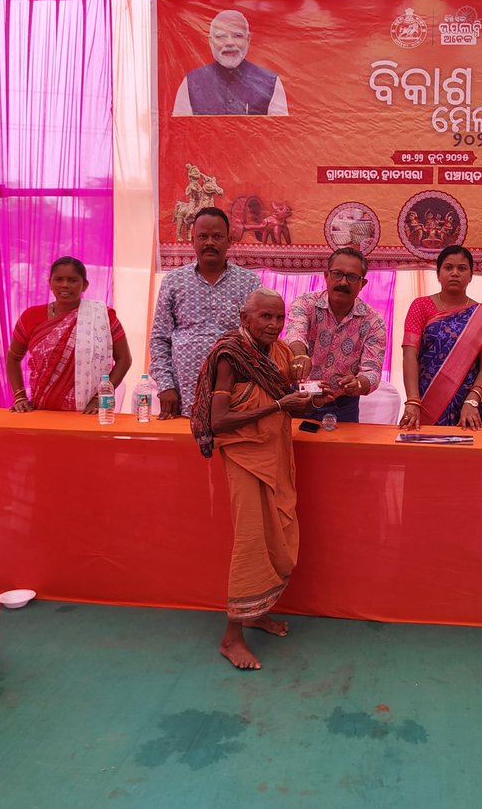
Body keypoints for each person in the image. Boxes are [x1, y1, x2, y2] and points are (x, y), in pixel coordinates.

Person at [190, 289, 320, 670]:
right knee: (250, 540)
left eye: (279, 318)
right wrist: (281, 405)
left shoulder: (278, 354)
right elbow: (218, 421)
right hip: (245, 459)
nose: (274, 326)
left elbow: (285, 397)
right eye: (266, 317)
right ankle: (231, 638)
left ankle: (257, 612)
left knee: (276, 534)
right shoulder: (231, 355)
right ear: (245, 318)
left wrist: (317, 396)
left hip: (274, 455)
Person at [150, 207, 262, 419]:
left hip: (235, 394)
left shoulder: (249, 283)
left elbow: (259, 339)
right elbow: (159, 339)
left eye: (217, 236)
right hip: (184, 396)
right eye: (203, 236)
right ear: (193, 241)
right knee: (184, 451)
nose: (210, 242)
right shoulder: (174, 281)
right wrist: (166, 386)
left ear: (229, 241)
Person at [6, 257, 132, 413]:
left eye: (72, 280)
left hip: (89, 412)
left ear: (84, 285)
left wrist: (100, 398)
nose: (65, 285)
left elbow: (124, 359)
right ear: (50, 283)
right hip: (42, 411)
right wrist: (20, 397)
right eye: (59, 279)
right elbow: (13, 357)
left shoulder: (102, 316)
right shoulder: (31, 316)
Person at [399, 246, 482, 429]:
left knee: (463, 456)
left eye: (462, 268)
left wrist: (472, 401)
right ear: (438, 274)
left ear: (471, 275)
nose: (455, 273)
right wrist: (413, 401)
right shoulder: (421, 306)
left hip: (465, 408)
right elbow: (409, 355)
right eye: (448, 268)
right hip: (424, 401)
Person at [285, 248, 387, 424]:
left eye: (352, 277)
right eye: (337, 274)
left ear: (362, 284)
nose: (343, 282)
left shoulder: (374, 322)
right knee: (293, 450)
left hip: (344, 406)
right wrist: (300, 356)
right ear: (326, 275)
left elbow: (372, 370)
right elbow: (295, 333)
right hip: (299, 399)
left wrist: (358, 384)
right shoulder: (306, 304)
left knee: (341, 452)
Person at [172, 9, 289, 117]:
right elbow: (181, 132)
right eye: (221, 36)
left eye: (237, 36)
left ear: (248, 40)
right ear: (211, 41)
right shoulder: (191, 82)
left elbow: (279, 134)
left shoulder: (270, 82)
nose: (229, 42)